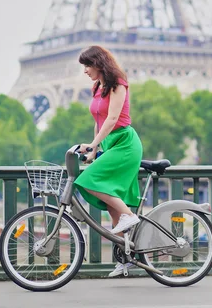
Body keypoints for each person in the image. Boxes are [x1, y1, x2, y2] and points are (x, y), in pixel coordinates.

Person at [71, 45, 143, 277]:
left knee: (88, 180)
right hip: (110, 143)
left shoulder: (117, 84)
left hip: (124, 143)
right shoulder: (97, 87)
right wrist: (94, 148)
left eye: (87, 65)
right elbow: (98, 121)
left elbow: (112, 119)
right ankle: (126, 258)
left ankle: (131, 216)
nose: (85, 71)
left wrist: (94, 145)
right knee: (112, 206)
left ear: (99, 63)